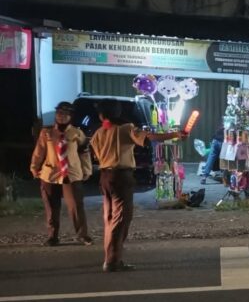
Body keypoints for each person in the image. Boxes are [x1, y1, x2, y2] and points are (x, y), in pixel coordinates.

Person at [89, 100, 186, 272]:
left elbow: (95, 155)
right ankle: (112, 261)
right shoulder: (126, 128)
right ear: (117, 112)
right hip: (121, 176)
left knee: (109, 218)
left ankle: (110, 257)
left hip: (104, 176)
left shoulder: (99, 132)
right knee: (120, 219)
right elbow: (149, 137)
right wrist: (175, 134)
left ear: (102, 116)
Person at [30, 101, 93, 246]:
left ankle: (82, 235)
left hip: (72, 174)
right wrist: (34, 167)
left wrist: (87, 170)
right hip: (50, 174)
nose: (61, 116)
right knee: (51, 207)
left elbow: (84, 153)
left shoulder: (77, 133)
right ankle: (52, 236)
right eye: (59, 113)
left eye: (65, 114)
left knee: (76, 206)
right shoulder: (46, 133)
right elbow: (39, 152)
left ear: (71, 116)